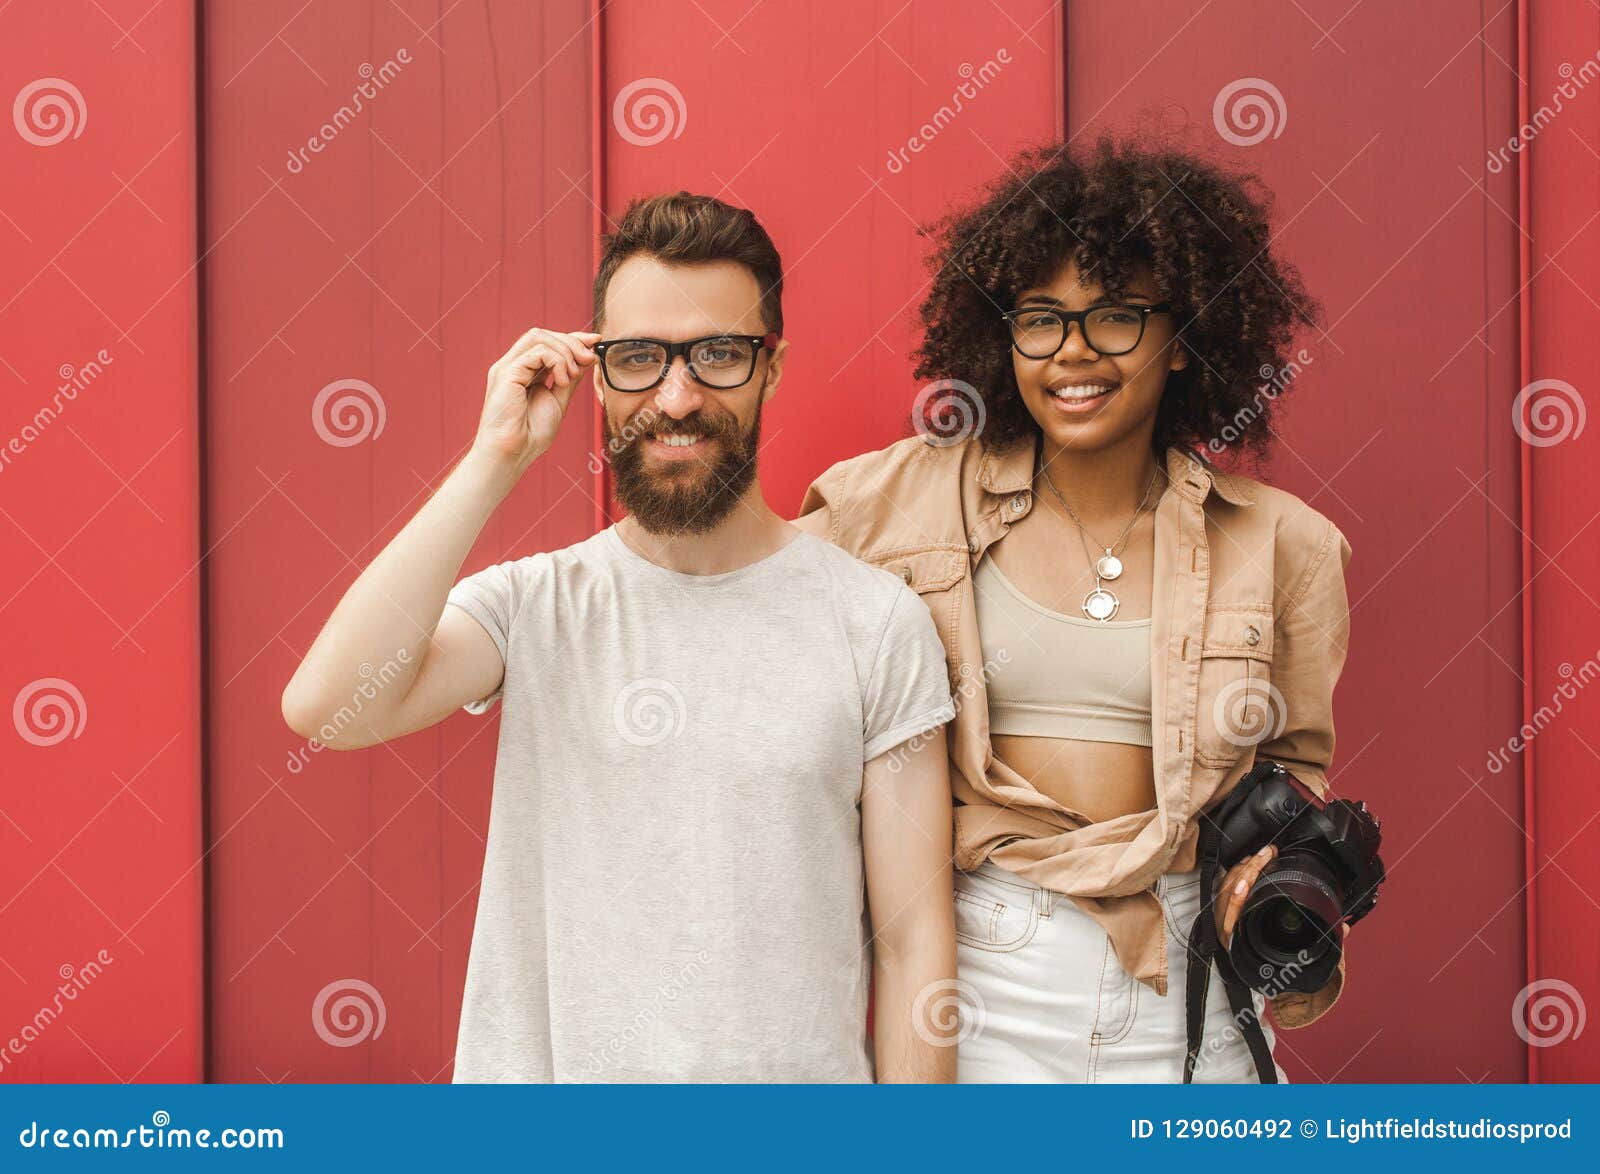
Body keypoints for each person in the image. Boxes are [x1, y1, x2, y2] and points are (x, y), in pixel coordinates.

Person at [282, 192, 959, 1083]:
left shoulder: (876, 624)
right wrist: (495, 461)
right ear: (597, 373)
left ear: (772, 367)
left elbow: (913, 945)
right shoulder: (537, 606)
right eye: (640, 358)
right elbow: (326, 709)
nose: (677, 398)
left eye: (718, 354)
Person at [795, 134, 1354, 1082]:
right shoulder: (892, 501)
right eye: (1042, 319)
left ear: (1185, 341)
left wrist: (1291, 871)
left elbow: (1296, 767)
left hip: (1193, 989)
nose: (1073, 353)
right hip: (977, 975)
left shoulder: (1285, 545)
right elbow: (740, 592)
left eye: (1117, 319)